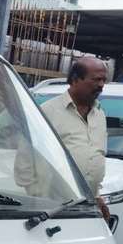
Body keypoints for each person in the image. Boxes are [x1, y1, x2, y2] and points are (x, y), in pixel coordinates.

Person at [40, 57, 111, 219]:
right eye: (96, 79)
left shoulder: (99, 114)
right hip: (52, 209)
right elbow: (26, 166)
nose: (101, 85)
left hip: (86, 206)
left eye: (103, 80)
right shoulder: (47, 112)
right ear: (75, 79)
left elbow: (96, 157)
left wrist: (97, 197)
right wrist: (39, 206)